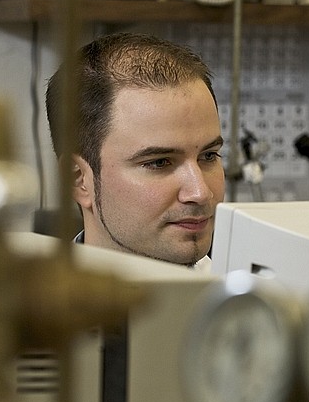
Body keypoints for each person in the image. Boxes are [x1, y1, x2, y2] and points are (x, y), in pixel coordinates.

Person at [46, 32, 225, 271]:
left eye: (208, 156)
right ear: (79, 180)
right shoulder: (26, 307)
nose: (200, 193)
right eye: (160, 162)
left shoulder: (258, 301)